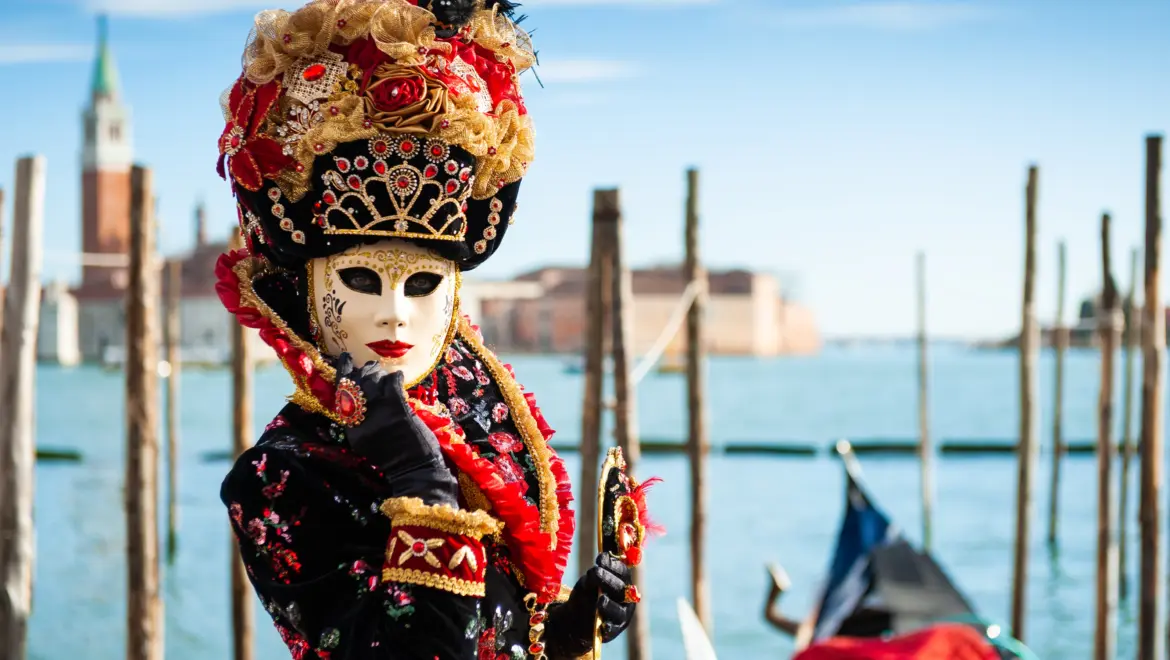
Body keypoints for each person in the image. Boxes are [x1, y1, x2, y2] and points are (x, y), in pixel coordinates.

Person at [213, 1, 641, 657]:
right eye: (361, 280)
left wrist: (556, 636)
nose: (394, 313)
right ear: (307, 290)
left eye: (421, 285)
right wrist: (419, 480)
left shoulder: (471, 430)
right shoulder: (282, 475)